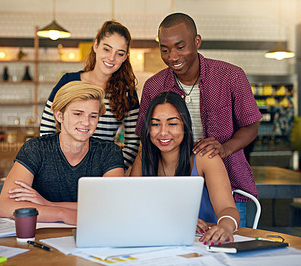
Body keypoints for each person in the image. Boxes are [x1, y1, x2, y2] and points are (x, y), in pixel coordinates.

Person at [135, 13, 262, 226]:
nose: (172, 56)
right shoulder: (154, 86)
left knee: (226, 244)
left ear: (197, 42)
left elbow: (251, 126)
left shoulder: (230, 76)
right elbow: (147, 137)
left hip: (228, 185)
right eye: (164, 50)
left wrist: (225, 148)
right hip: (175, 191)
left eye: (180, 47)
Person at [0, 81, 125, 225]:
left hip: (92, 235)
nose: (86, 122)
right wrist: (63, 214)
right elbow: (5, 207)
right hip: (42, 239)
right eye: (78, 114)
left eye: (93, 116)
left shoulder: (109, 152)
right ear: (59, 116)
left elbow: (114, 205)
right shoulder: (35, 149)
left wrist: (48, 204)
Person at [131, 91, 240, 244]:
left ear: (185, 125)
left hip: (202, 245)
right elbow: (133, 207)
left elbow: (228, 209)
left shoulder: (205, 158)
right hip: (161, 242)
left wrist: (225, 227)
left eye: (172, 123)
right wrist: (176, 219)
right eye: (155, 124)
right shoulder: (144, 158)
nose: (163, 132)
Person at [40, 20, 140, 170]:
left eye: (119, 53)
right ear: (96, 46)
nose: (112, 58)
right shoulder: (69, 81)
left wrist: (112, 169)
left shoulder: (127, 92)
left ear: (125, 57)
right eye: (107, 49)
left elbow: (132, 143)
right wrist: (59, 167)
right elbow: (46, 129)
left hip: (103, 174)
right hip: (64, 167)